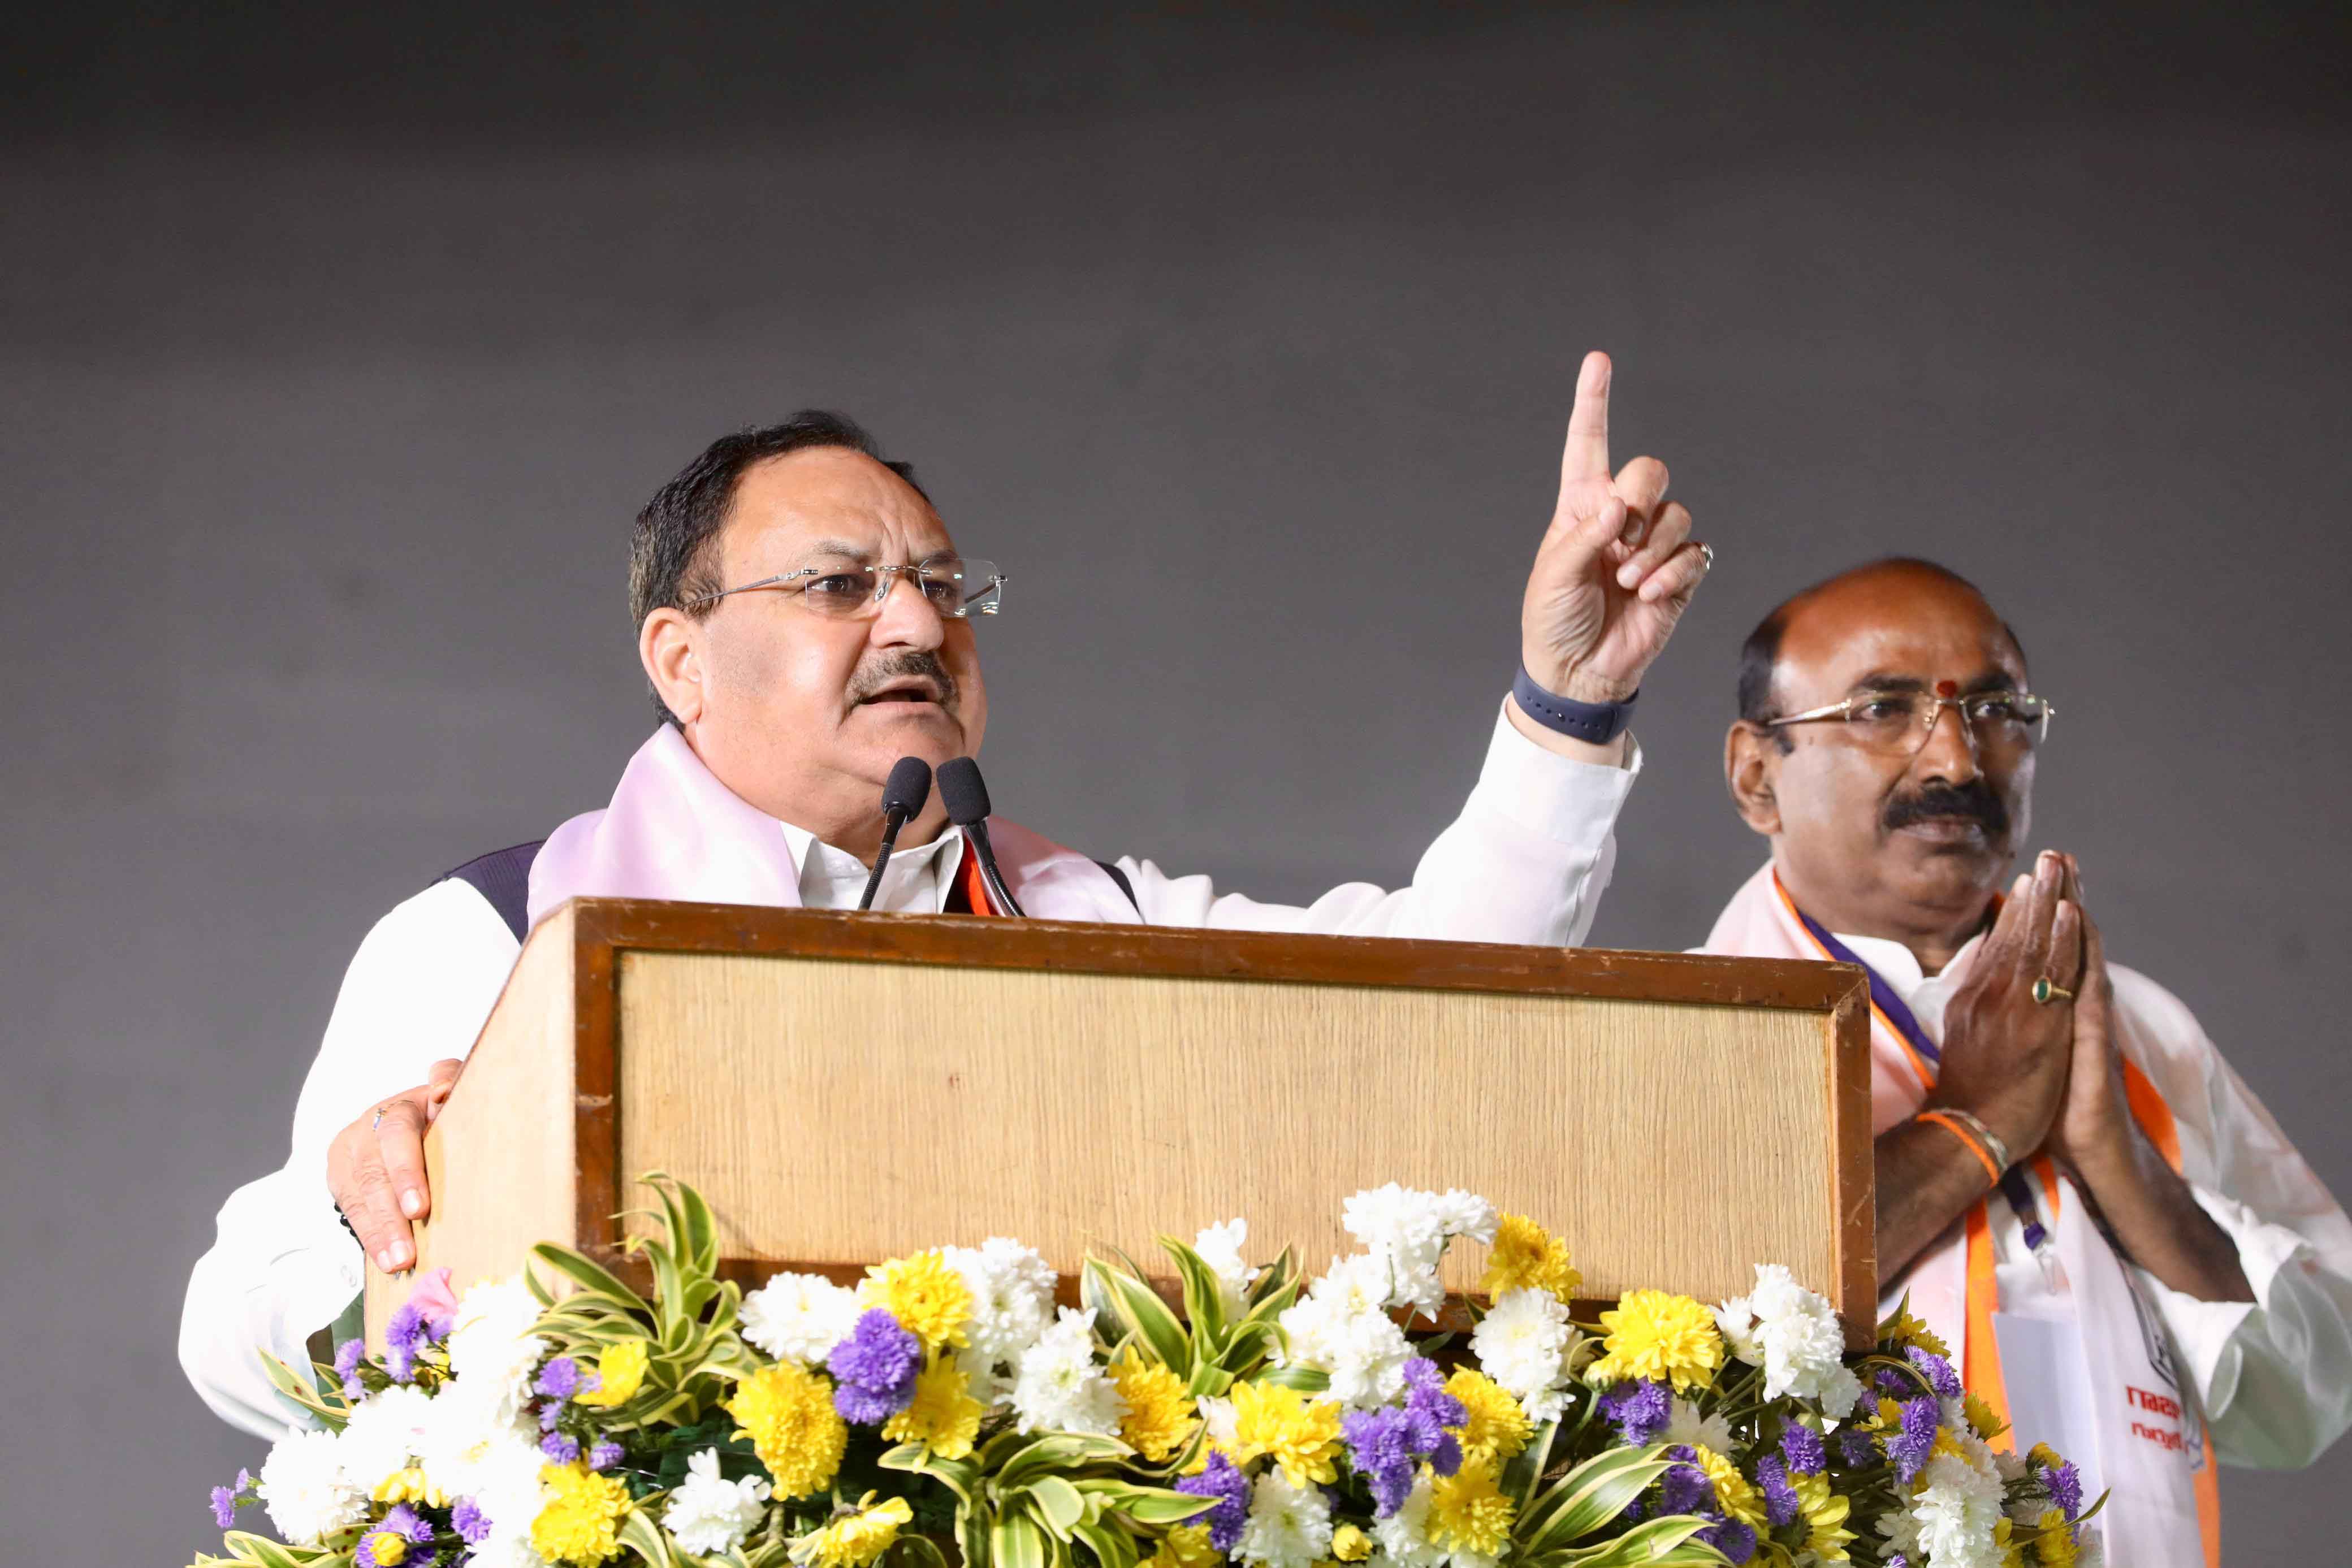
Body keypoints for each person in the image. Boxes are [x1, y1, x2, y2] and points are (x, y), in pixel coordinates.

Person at [182, 351, 1713, 1437]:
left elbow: (1439, 986)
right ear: (680, 657)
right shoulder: (497, 937)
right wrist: (365, 1204)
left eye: (942, 584)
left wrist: (1564, 707)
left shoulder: (1078, 911)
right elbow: (229, 1334)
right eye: (840, 583)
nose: (916, 618)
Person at [1702, 557, 2352, 1566]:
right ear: (1757, 776)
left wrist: (2117, 1156)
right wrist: (1980, 1120)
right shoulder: (1679, 1034)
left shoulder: (2140, 1027)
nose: (1956, 757)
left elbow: (2304, 1401)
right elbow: (1671, 1365)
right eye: (1884, 708)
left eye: (1999, 709)